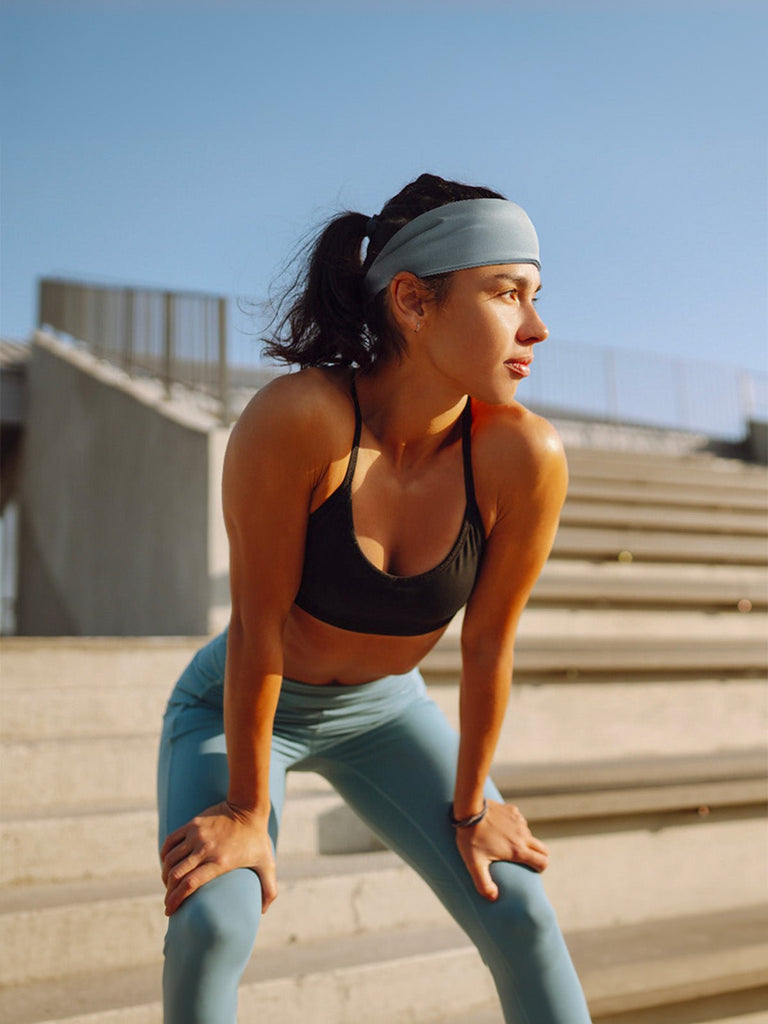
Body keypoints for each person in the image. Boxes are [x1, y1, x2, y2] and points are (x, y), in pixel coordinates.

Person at [157, 172, 592, 1024]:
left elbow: (487, 646)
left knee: (524, 911)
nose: (537, 327)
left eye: (536, 296)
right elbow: (255, 630)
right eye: (507, 294)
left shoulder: (523, 458)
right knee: (213, 921)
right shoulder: (301, 420)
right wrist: (247, 810)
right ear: (411, 301)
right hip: (243, 705)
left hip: (389, 712)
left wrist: (473, 808)